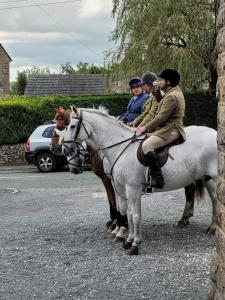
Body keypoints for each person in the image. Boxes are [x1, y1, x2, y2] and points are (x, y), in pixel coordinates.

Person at [135, 69, 186, 189]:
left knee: (146, 146)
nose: (159, 82)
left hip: (171, 129)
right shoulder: (172, 92)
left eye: (162, 80)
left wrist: (144, 128)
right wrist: (157, 91)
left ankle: (158, 178)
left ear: (168, 82)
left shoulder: (172, 96)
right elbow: (161, 102)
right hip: (167, 126)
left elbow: (160, 118)